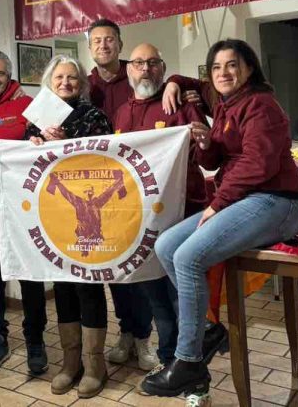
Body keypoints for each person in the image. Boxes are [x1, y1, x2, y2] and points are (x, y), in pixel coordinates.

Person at [142, 39, 298, 397]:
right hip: (243, 200)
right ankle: (209, 330)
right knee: (166, 245)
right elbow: (215, 160)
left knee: (188, 256)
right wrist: (204, 141)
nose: (223, 73)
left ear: (250, 68)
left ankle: (188, 361)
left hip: (276, 201)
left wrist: (217, 204)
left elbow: (258, 165)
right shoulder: (224, 104)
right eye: (216, 67)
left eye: (232, 65)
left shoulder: (261, 104)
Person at [113, 43, 209, 370]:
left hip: (182, 213)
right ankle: (169, 361)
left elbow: (206, 153)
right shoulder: (121, 113)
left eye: (153, 62)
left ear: (163, 68)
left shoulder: (182, 103)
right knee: (155, 296)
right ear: (129, 69)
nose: (146, 69)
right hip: (141, 221)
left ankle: (191, 362)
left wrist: (203, 139)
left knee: (180, 295)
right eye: (139, 63)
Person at [26, 54, 113, 398]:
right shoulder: (35, 119)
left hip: (89, 218)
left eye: (72, 78)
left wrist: (65, 143)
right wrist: (34, 145)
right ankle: (70, 362)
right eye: (59, 77)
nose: (65, 83)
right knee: (62, 286)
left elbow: (105, 160)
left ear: (82, 84)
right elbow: (27, 166)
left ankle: (95, 365)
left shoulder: (94, 116)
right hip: (55, 218)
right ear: (49, 82)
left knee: (88, 287)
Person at [0, 49, 48, 377]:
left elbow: (50, 141)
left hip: (23, 209)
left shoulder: (27, 104)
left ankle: (35, 340)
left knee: (30, 275)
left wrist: (41, 140)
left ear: (9, 75)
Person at [86, 18, 158, 371]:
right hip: (101, 190)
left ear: (119, 43)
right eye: (97, 40)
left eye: (109, 39)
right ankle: (126, 332)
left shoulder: (138, 76)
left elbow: (166, 81)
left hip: (138, 188)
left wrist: (178, 83)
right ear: (90, 48)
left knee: (138, 267)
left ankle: (144, 337)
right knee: (114, 271)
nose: (104, 45)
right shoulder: (83, 86)